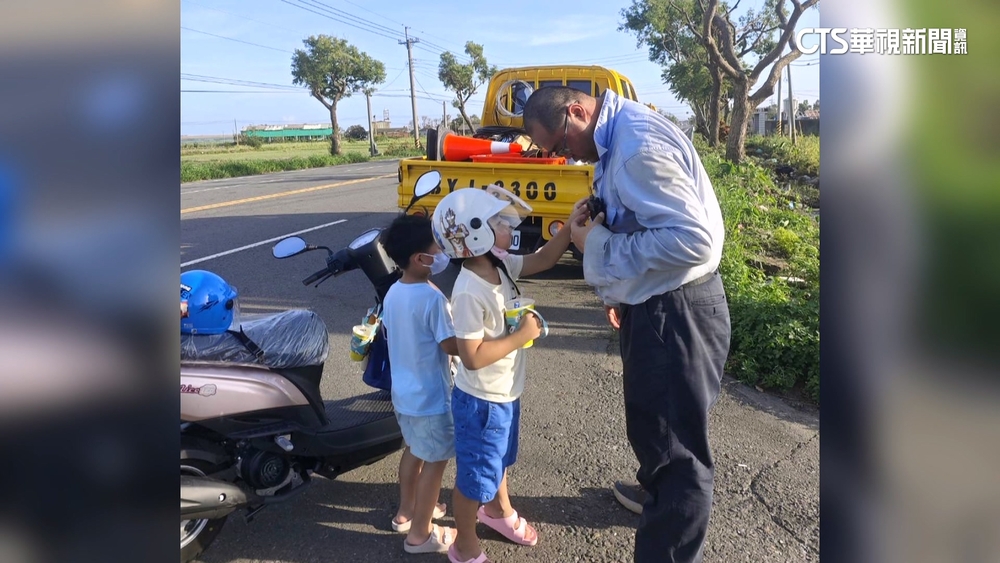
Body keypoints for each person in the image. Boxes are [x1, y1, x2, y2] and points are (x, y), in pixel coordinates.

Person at [522, 86, 732, 563]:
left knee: (678, 457)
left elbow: (693, 241)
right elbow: (642, 218)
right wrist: (613, 271)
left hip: (674, 312)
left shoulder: (636, 148)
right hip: (661, 305)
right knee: (659, 433)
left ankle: (669, 538)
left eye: (559, 145)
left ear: (577, 112)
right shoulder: (616, 137)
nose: (565, 158)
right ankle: (656, 492)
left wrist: (598, 247)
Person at [430, 185, 586, 563]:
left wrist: (569, 225)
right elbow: (471, 357)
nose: (508, 225)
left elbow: (543, 259)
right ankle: (464, 545)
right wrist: (520, 336)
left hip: (504, 393)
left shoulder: (498, 264)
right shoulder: (469, 290)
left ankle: (498, 511)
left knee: (497, 461)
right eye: (499, 221)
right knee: (473, 480)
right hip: (482, 402)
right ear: (476, 233)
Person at [380, 215, 460, 554]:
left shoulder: (394, 292)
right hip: (431, 399)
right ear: (418, 258)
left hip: (404, 395)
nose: (441, 253)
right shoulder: (432, 299)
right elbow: (451, 346)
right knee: (436, 463)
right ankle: (421, 535)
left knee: (414, 451)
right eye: (436, 248)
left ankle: (406, 511)